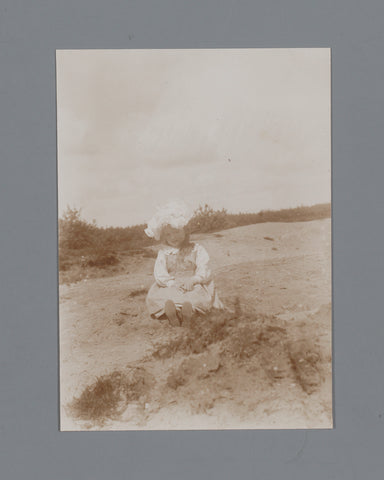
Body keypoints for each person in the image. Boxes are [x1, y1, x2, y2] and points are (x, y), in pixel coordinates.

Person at [144, 201, 224, 327]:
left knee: (196, 296)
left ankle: (188, 313)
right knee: (162, 297)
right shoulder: (164, 252)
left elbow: (204, 267)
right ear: (164, 236)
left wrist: (194, 280)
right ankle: (173, 314)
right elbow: (160, 273)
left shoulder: (196, 248)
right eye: (168, 234)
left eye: (176, 232)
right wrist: (171, 282)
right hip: (172, 284)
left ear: (185, 231)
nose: (173, 237)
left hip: (191, 284)